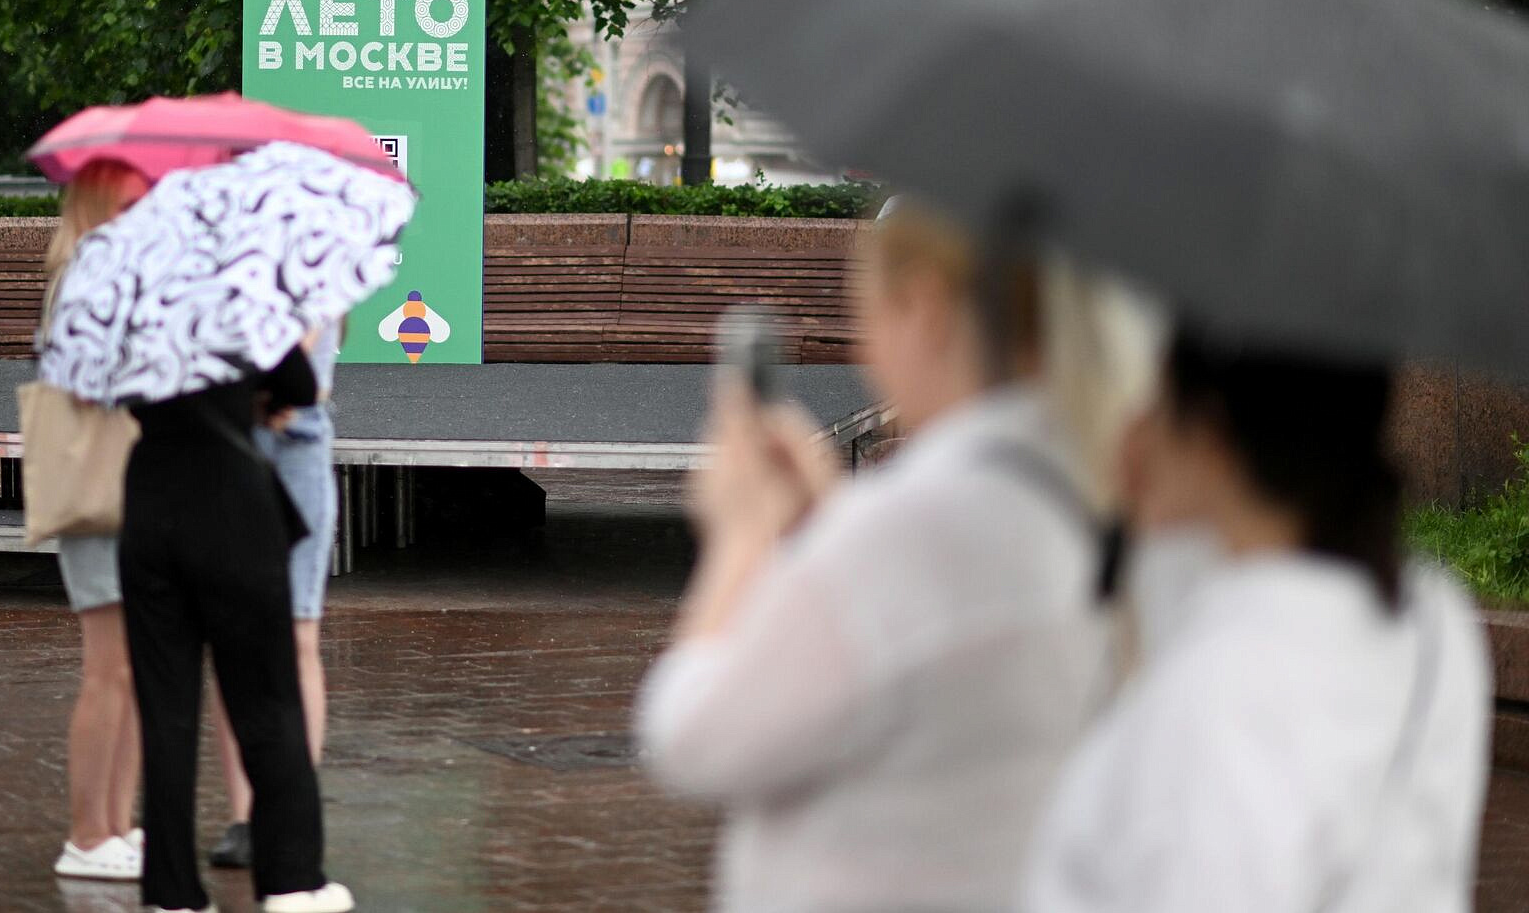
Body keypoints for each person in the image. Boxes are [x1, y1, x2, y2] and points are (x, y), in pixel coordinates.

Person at [634, 200, 1156, 912]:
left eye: (870, 313)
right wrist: (832, 526)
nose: (868, 349)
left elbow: (692, 736)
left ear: (926, 309)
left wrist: (741, 541)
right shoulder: (1071, 503)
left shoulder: (909, 533)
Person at [1024, 329, 1492, 913]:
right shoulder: (1435, 617)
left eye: (1161, 396)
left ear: (1214, 436)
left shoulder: (1220, 691)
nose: (1137, 425)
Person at [122, 338, 354, 913]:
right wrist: (253, 398)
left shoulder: (133, 293)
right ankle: (290, 880)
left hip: (149, 497)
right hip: (231, 500)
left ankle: (170, 892)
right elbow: (299, 386)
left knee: (166, 711)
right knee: (266, 696)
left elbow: (102, 383)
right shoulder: (238, 288)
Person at [43, 159, 152, 883]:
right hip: (98, 488)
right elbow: (82, 381)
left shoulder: (112, 269)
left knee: (136, 669)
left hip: (133, 486)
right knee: (109, 668)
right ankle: (88, 831)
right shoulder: (86, 274)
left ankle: (118, 822)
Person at [210, 322, 341, 871]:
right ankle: (244, 816)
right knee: (233, 635)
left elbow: (310, 327)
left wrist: (268, 385)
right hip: (226, 430)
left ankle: (290, 810)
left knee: (297, 633)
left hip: (297, 434)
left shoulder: (320, 244)